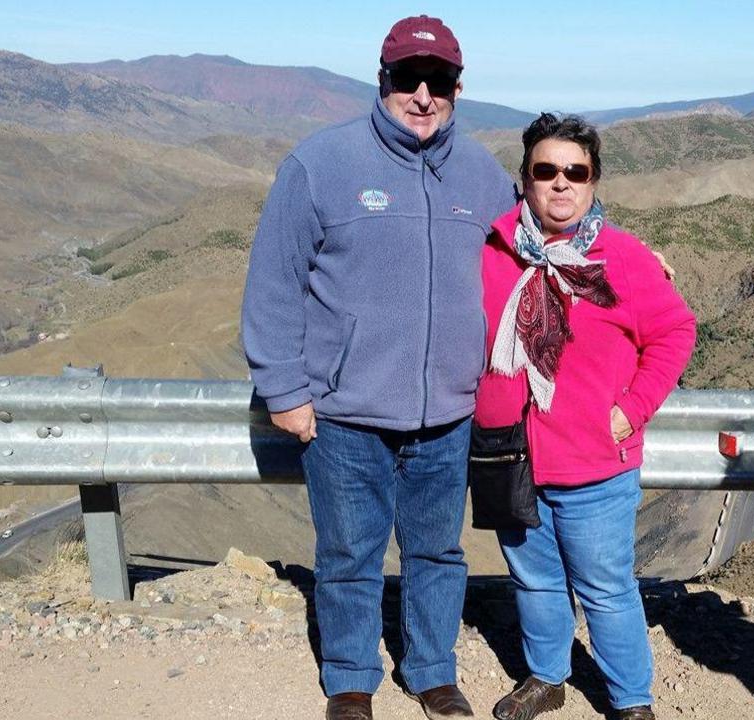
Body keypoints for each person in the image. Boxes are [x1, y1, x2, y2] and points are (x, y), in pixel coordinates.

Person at [240, 15, 516, 720]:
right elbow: (274, 280)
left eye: (440, 81)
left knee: (437, 554)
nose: (423, 95)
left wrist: (631, 262)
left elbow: (537, 252)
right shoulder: (320, 163)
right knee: (349, 555)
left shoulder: (481, 174)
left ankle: (431, 673)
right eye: (407, 78)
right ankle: (351, 680)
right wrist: (284, 389)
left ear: (458, 86)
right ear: (382, 79)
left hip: (448, 412)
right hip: (344, 412)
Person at [475, 114, 698, 720]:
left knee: (605, 589)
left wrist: (632, 408)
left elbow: (674, 331)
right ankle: (548, 677)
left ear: (594, 182)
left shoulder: (621, 257)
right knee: (535, 581)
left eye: (577, 172)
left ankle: (630, 699)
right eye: (546, 171)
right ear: (524, 179)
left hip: (597, 462)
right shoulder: (493, 253)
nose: (561, 184)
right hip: (510, 454)